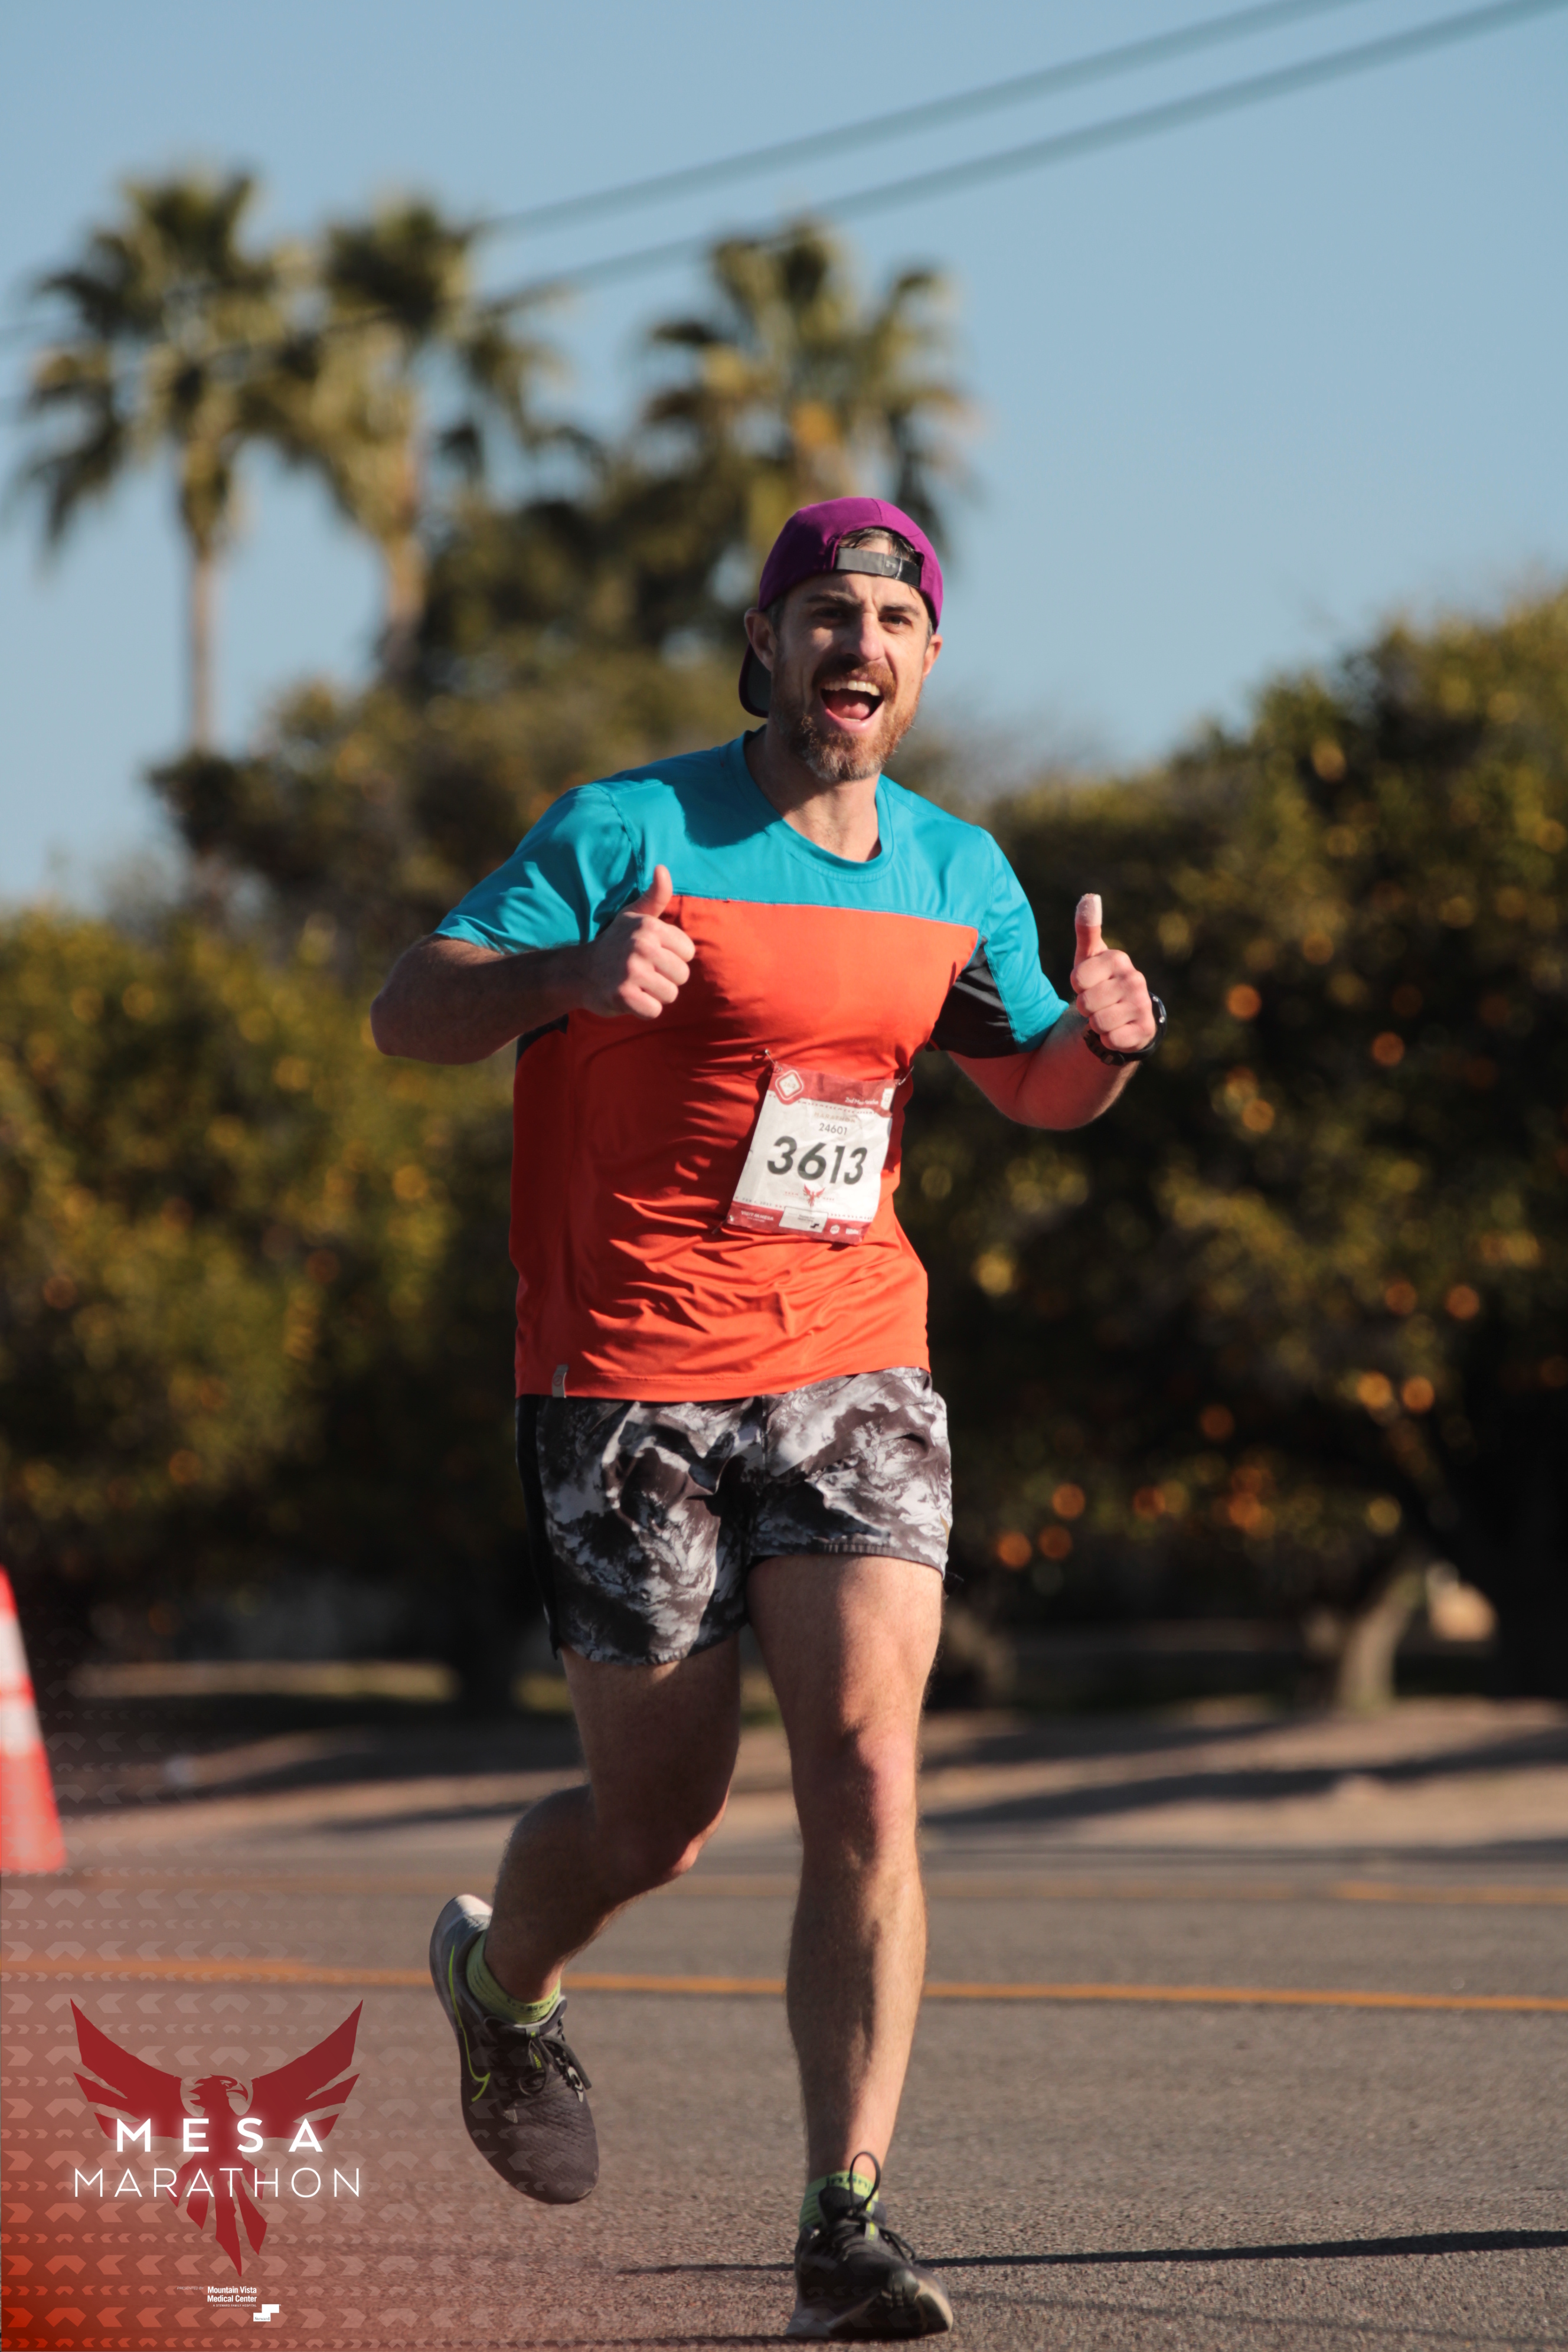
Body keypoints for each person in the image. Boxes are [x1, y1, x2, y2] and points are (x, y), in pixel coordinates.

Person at [370, 495, 1161, 2340]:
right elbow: (411, 1011)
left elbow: (1032, 1086)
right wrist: (567, 978)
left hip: (853, 1359)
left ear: (927, 660)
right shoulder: (628, 831)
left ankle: (841, 2221)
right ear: (766, 641)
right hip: (625, 1378)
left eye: (891, 618)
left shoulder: (957, 870)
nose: (855, 644)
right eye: (824, 613)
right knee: (660, 1821)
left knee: (870, 1775)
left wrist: (1106, 1046)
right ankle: (501, 1985)